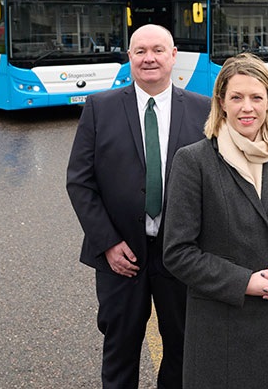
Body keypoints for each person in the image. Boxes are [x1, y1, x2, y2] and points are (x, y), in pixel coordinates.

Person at [66, 24, 211, 389]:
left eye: (158, 50)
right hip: (121, 256)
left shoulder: (203, 110)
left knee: (181, 347)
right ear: (128, 56)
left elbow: (215, 183)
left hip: (180, 254)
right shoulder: (100, 108)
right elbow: (80, 182)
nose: (149, 58)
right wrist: (108, 243)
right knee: (120, 349)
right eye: (140, 50)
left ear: (174, 55)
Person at [163, 53, 268, 389]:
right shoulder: (193, 161)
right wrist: (245, 282)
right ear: (221, 102)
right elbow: (178, 252)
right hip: (221, 331)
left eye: (257, 97)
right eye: (237, 97)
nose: (247, 107)